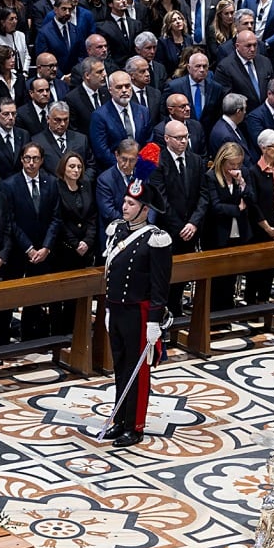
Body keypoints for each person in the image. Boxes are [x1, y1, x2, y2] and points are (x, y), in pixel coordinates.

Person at [101, 183, 172, 448]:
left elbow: (160, 284)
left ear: (145, 209)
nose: (124, 207)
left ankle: (135, 426)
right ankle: (119, 419)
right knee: (120, 367)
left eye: (131, 204)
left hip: (139, 313)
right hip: (117, 309)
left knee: (137, 371)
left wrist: (154, 320)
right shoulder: (118, 230)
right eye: (125, 202)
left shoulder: (155, 238)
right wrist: (108, 308)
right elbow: (110, 274)